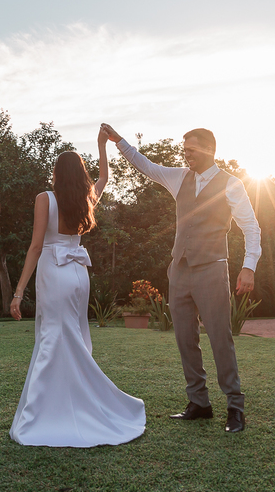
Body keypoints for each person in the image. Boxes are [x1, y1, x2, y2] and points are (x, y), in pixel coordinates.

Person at [100, 124, 261, 433]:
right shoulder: (178, 178)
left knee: (219, 338)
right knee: (184, 338)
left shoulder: (231, 184)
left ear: (209, 150)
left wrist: (249, 266)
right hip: (180, 270)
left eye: (192, 150)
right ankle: (199, 403)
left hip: (212, 268)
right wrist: (119, 141)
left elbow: (251, 228)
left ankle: (234, 407)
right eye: (184, 149)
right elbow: (147, 166)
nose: (186, 154)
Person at [8, 130, 146, 447]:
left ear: (56, 173)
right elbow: (104, 179)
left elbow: (35, 247)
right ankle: (78, 401)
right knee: (73, 336)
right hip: (79, 274)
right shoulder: (85, 200)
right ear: (80, 175)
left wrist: (18, 293)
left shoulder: (46, 199)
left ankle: (46, 411)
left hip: (54, 273)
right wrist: (101, 145)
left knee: (52, 337)